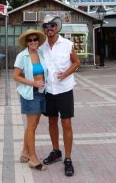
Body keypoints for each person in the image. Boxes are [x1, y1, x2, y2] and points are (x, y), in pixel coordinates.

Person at [40, 15, 81, 177]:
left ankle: (68, 159)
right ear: (43, 29)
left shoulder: (67, 44)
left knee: (66, 124)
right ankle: (56, 151)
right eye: (45, 26)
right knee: (51, 121)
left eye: (51, 25)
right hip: (49, 90)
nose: (49, 28)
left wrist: (66, 74)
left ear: (56, 27)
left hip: (64, 89)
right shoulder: (41, 46)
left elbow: (76, 62)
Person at [13, 29, 48, 171]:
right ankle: (33, 158)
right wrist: (33, 83)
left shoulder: (40, 53)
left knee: (32, 125)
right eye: (30, 40)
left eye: (35, 39)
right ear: (26, 42)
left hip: (41, 93)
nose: (33, 42)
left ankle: (24, 153)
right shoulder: (22, 56)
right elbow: (16, 76)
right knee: (32, 126)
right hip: (30, 93)